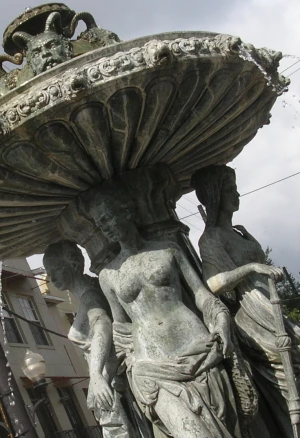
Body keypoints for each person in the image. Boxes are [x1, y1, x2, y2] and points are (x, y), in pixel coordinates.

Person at [192, 164, 300, 438]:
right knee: (295, 385)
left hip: (271, 308)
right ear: (216, 195)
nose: (237, 194)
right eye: (230, 189)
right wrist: (251, 269)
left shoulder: (240, 232)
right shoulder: (211, 238)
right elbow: (212, 284)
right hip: (252, 317)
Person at [87, 184, 243, 438]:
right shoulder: (108, 275)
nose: (103, 226)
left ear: (126, 211)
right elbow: (119, 328)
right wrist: (98, 375)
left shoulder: (168, 248)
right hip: (152, 367)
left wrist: (221, 319)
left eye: (107, 217)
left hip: (199, 349)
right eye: (99, 223)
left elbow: (200, 294)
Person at [43, 240, 151, 438]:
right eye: (48, 273)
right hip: (109, 376)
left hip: (110, 377)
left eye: (55, 269)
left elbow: (101, 325)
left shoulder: (90, 296)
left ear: (74, 264)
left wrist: (96, 376)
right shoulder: (89, 291)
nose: (51, 278)